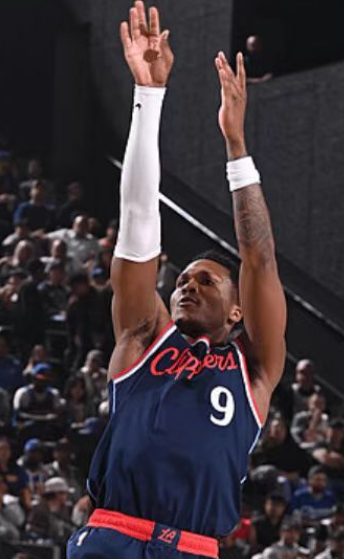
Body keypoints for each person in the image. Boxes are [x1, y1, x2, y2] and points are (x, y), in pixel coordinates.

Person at [68, 3, 287, 558]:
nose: (187, 285)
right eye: (184, 278)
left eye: (207, 282)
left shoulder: (254, 368)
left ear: (237, 311)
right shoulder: (144, 337)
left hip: (194, 547)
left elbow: (259, 258)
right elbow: (138, 219)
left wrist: (236, 147)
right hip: (114, 535)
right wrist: (149, 97)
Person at [26, 477, 74, 544]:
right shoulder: (39, 509)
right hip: (43, 544)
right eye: (64, 493)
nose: (66, 496)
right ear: (57, 494)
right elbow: (31, 529)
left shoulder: (66, 508)